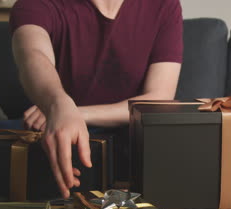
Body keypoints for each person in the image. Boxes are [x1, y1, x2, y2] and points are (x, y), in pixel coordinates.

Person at [10, 0, 183, 198]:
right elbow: (33, 54)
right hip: (59, 135)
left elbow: (159, 98)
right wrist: (57, 102)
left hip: (129, 141)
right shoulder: (35, 4)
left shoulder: (163, 5)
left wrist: (72, 112)